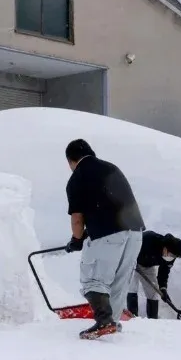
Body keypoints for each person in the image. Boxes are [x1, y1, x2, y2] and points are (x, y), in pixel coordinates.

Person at [63, 139, 146, 339]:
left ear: (70, 160)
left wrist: (76, 240)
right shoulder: (111, 168)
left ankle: (104, 321)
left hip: (108, 233)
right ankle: (112, 322)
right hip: (135, 232)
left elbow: (77, 218)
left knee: (93, 279)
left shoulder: (78, 177)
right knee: (120, 279)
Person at [127, 231, 181, 320]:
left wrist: (163, 288)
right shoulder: (149, 239)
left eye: (174, 257)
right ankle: (132, 317)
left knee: (153, 292)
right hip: (132, 262)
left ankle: (153, 321)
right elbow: (129, 247)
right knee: (132, 286)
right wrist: (132, 261)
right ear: (166, 247)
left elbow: (164, 272)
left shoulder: (170, 257)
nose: (171, 257)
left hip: (148, 266)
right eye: (171, 254)